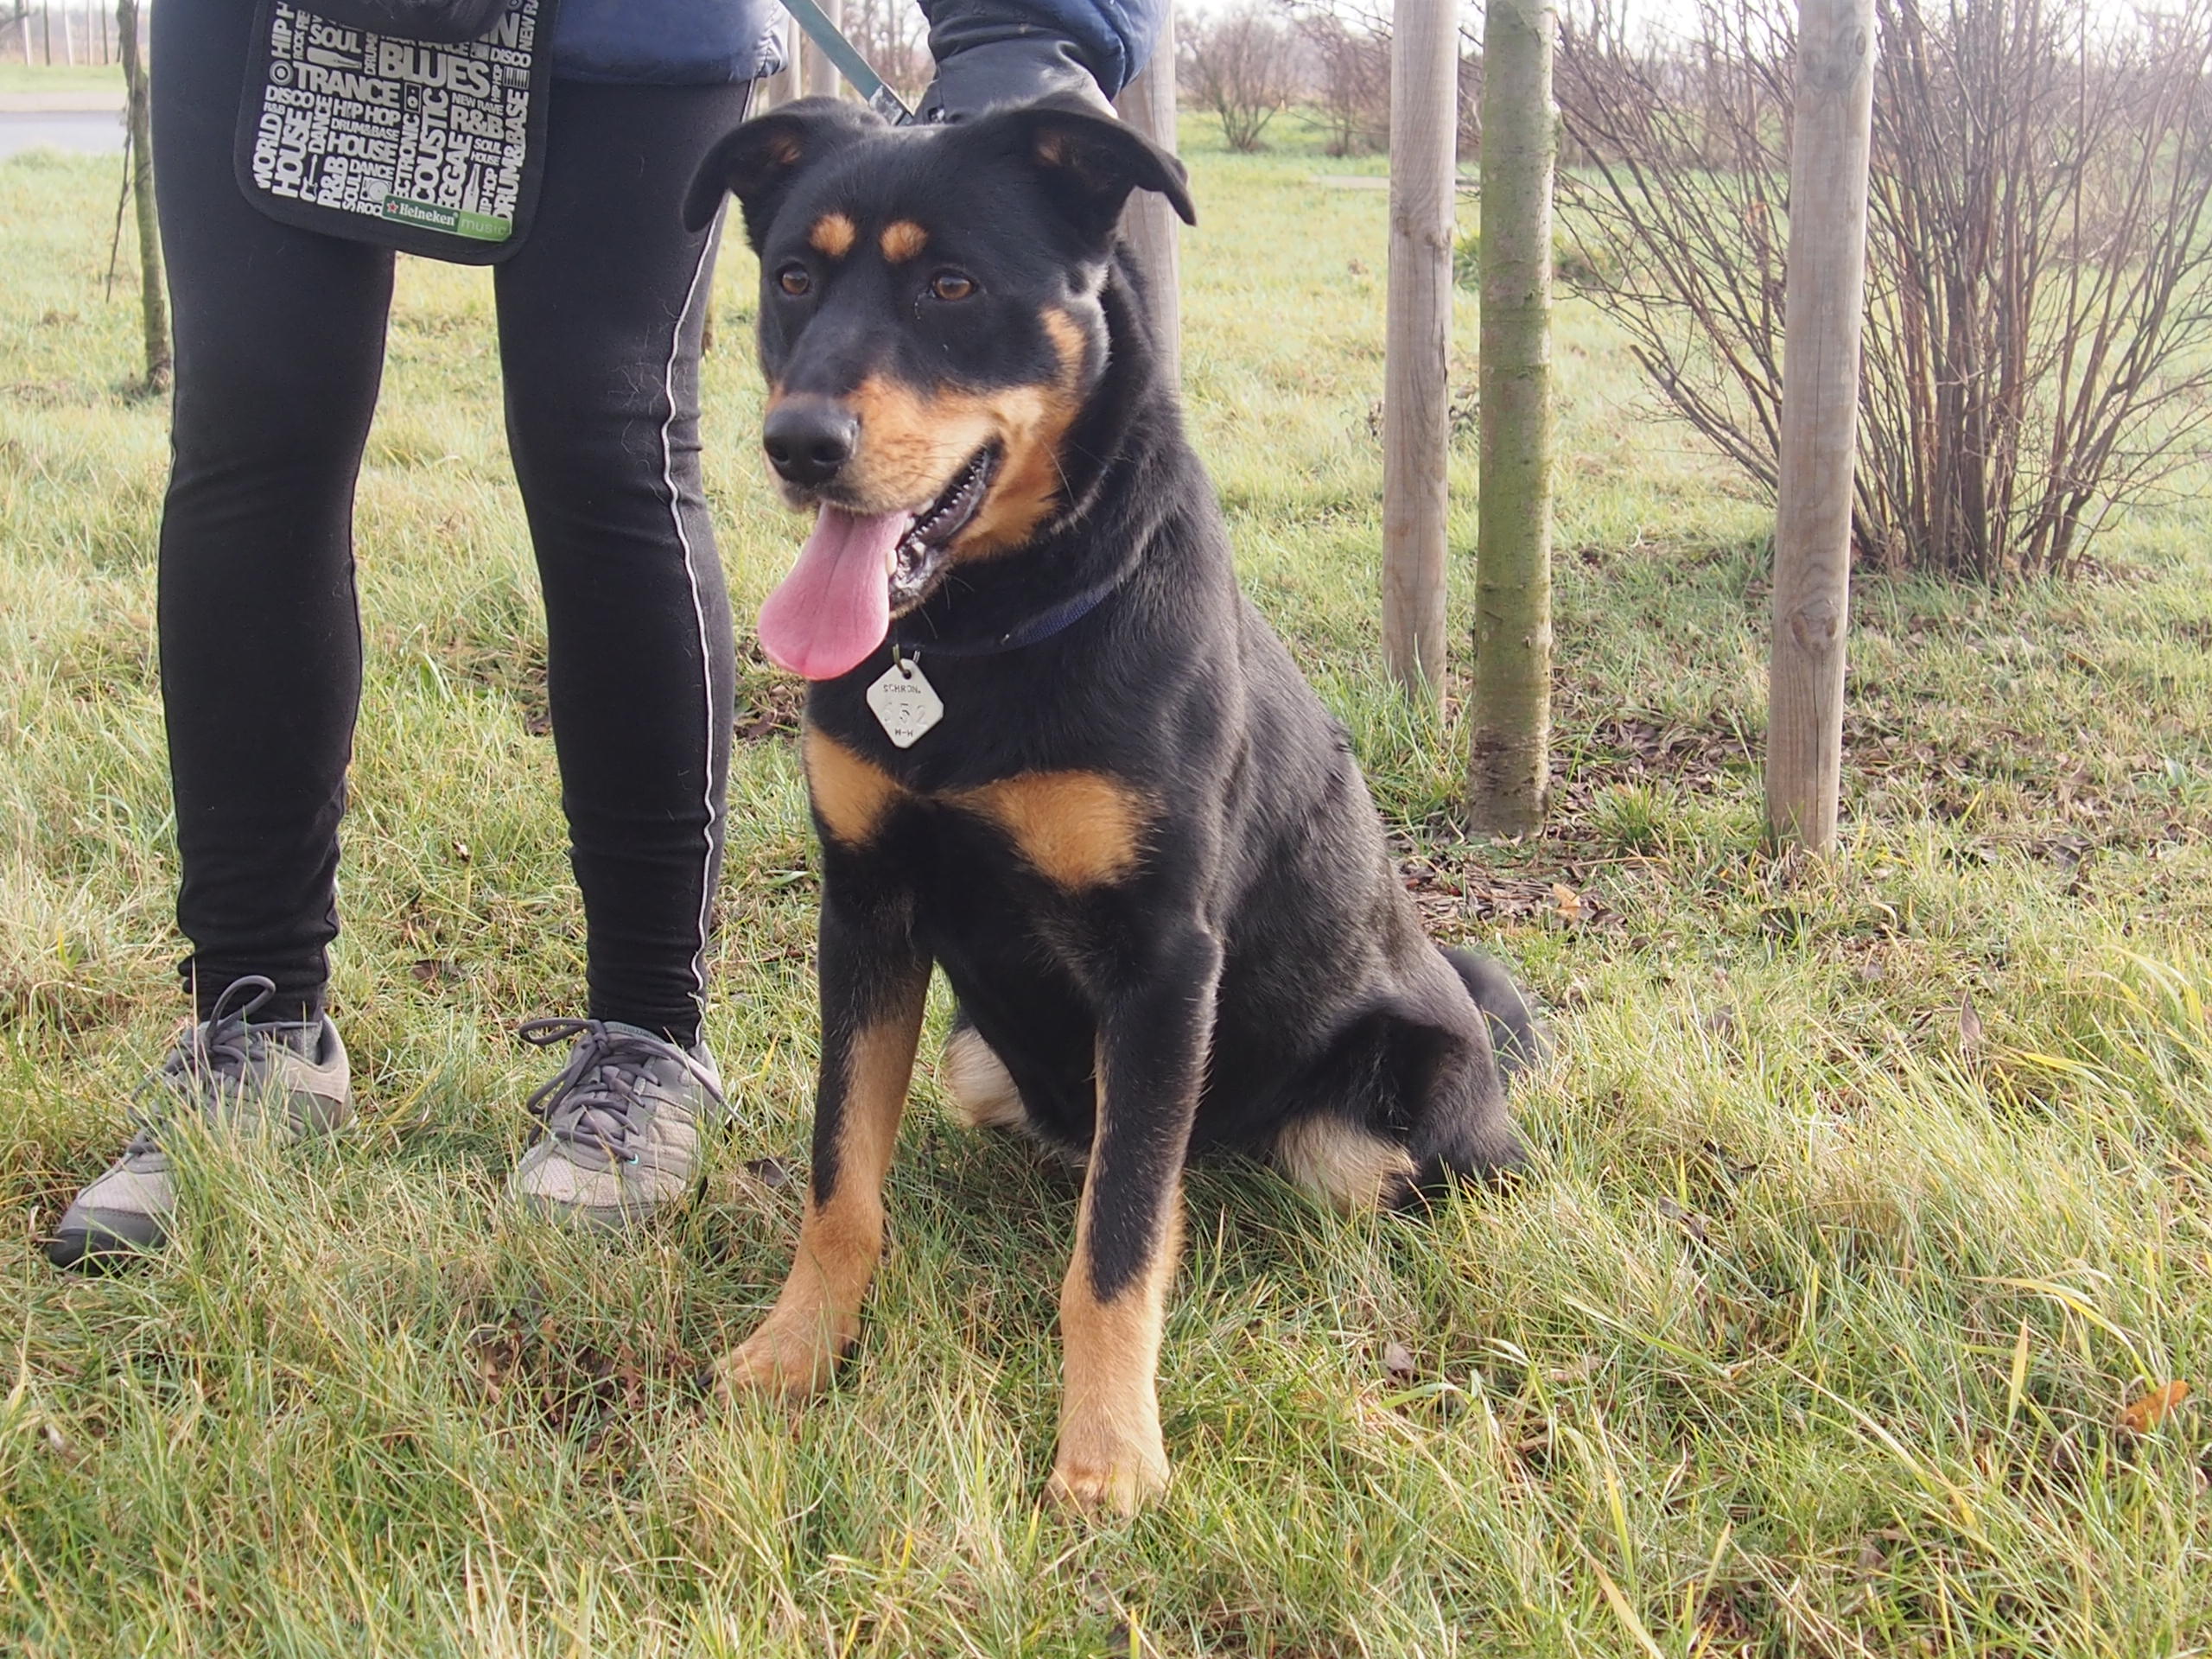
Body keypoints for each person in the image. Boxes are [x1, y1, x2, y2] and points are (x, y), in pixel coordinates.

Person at [48, 0, 1166, 1270]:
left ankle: (646, 1037)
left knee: (608, 441)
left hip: (622, 29)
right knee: (254, 440)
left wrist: (1024, 27)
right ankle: (254, 1025)